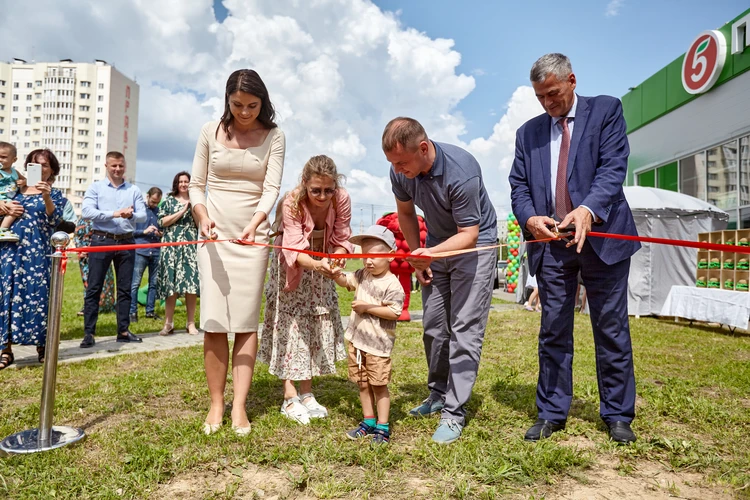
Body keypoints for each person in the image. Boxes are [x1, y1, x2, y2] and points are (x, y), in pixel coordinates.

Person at [508, 53, 640, 444]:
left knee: (611, 329)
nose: (548, 104)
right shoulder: (527, 134)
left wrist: (587, 209)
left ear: (572, 80)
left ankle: (617, 415)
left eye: (553, 94)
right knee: (553, 331)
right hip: (553, 246)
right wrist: (530, 217)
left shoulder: (606, 111)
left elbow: (614, 168)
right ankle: (551, 412)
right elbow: (518, 186)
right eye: (540, 98)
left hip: (603, 237)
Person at [383, 117, 498, 444]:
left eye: (402, 162)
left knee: (464, 328)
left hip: (475, 246)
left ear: (423, 148)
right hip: (435, 245)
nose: (397, 169)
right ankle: (436, 395)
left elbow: (469, 234)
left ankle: (454, 412)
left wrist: (428, 253)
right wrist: (418, 255)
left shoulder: (461, 172)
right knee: (434, 325)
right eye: (392, 163)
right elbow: (406, 213)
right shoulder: (400, 170)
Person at [189, 69, 285, 435]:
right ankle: (217, 403)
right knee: (214, 321)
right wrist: (202, 216)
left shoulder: (274, 135)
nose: (244, 112)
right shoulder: (209, 131)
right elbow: (197, 185)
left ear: (263, 103)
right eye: (237, 105)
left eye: (252, 105)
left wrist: (257, 220)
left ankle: (240, 407)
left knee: (245, 322)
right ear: (227, 100)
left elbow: (271, 186)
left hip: (252, 234)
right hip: (213, 233)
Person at [259, 155, 352, 425]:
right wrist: (318, 263)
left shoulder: (341, 198)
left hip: (321, 262)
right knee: (291, 326)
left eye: (329, 190)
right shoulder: (292, 201)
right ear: (305, 184)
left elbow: (342, 236)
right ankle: (289, 396)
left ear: (336, 186)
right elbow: (293, 248)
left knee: (314, 323)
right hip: (294, 264)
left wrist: (337, 257)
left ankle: (307, 393)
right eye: (316, 190)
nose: (323, 196)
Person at [334, 225, 404, 445]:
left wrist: (367, 307)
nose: (369, 261)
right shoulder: (363, 275)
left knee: (379, 385)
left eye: (375, 255)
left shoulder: (393, 284)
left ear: (390, 255)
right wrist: (336, 274)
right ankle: (368, 421)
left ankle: (382, 427)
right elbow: (346, 281)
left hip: (377, 345)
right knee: (362, 383)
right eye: (365, 255)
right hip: (358, 342)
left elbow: (394, 312)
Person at [0, 149, 66, 369]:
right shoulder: (13, 189)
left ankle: (42, 346)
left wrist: (46, 196)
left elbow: (55, 220)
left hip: (37, 253)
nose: (39, 169)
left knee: (38, 296)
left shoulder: (54, 194)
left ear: (52, 170)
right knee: (7, 297)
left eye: (44, 165)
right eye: (34, 164)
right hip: (9, 250)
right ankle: (5, 349)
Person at [80, 151, 147, 348]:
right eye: (114, 166)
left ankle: (123, 331)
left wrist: (130, 215)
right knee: (94, 288)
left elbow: (142, 215)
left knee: (125, 289)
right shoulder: (96, 188)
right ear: (107, 167)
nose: (117, 169)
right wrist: (115, 214)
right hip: (102, 240)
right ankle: (89, 333)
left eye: (121, 166)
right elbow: (86, 212)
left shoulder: (133, 190)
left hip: (127, 242)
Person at [156, 172, 199, 336]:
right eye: (180, 181)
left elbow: (199, 224)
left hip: (189, 248)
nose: (183, 184)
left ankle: (191, 323)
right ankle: (168, 322)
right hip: (171, 247)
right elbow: (162, 222)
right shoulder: (167, 201)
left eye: (186, 181)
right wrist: (182, 211)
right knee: (171, 285)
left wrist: (192, 208)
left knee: (191, 286)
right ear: (176, 183)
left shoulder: (196, 202)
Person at [130, 186, 163, 323]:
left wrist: (160, 234)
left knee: (154, 283)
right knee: (135, 283)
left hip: (155, 250)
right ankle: (132, 312)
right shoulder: (138, 211)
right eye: (153, 201)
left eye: (157, 202)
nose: (154, 204)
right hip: (140, 250)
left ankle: (150, 311)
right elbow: (130, 231)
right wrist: (144, 232)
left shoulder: (160, 213)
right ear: (147, 196)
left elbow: (163, 231)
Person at [74, 217, 117, 316]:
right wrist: (80, 249)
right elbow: (77, 236)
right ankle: (89, 306)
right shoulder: (81, 220)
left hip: (99, 251)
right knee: (88, 281)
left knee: (105, 280)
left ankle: (106, 304)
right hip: (84, 255)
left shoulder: (101, 220)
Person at [0, 141, 23, 242]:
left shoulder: (15, 172)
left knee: (16, 208)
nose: (0, 160)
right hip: (2, 199)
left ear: (14, 160)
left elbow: (25, 179)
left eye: (3, 157)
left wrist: (23, 181)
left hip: (10, 198)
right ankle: (3, 229)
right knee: (14, 208)